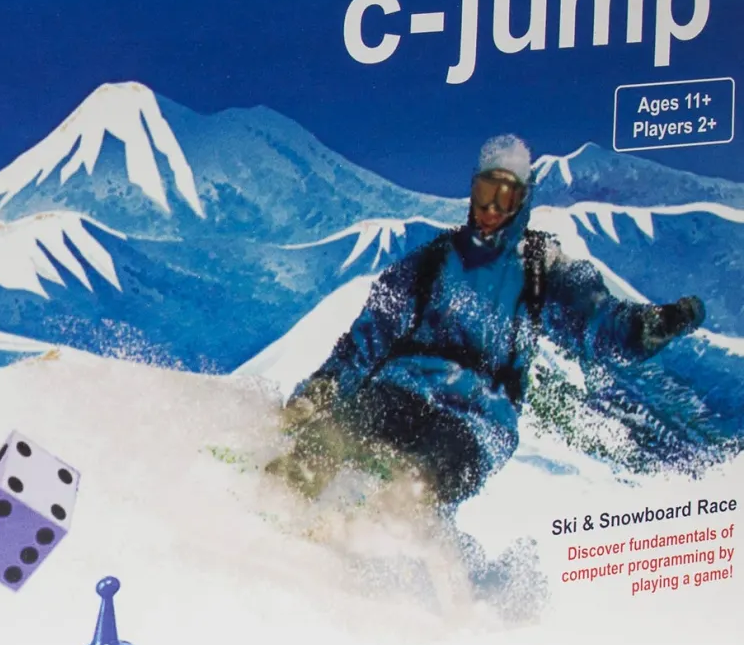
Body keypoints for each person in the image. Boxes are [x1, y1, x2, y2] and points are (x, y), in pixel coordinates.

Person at [275, 134, 707, 505]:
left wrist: (650, 327)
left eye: (505, 197)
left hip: (478, 417)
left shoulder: (541, 269)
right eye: (485, 193)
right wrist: (322, 387)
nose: (491, 209)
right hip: (402, 388)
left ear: (523, 201)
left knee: (421, 479)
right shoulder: (432, 262)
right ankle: (281, 502)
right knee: (332, 439)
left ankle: (385, 534)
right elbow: (369, 336)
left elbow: (602, 326)